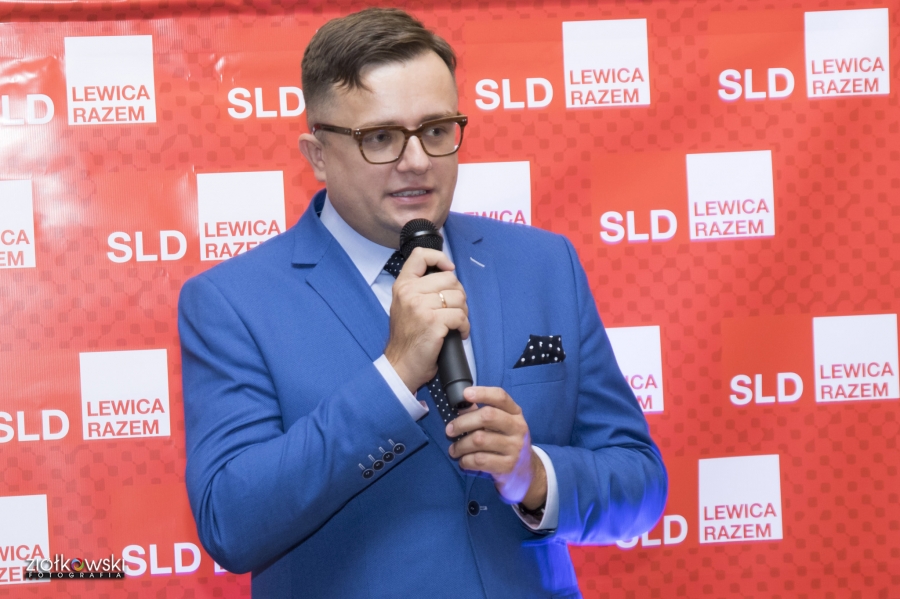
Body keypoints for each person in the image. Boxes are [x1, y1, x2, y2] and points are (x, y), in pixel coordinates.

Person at [178, 8, 667, 598]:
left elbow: (641, 486)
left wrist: (534, 475)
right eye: (380, 138)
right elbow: (232, 524)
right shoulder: (231, 303)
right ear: (317, 154)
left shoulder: (543, 264)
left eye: (435, 130)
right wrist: (393, 376)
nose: (416, 161)